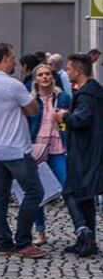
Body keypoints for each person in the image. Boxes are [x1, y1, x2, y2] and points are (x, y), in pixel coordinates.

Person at [0, 43, 45, 259]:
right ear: (5, 58)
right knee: (35, 192)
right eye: (13, 57)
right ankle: (23, 241)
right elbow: (34, 109)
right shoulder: (12, 85)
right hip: (16, 148)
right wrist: (24, 108)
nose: (15, 62)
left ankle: (4, 243)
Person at [58, 54, 103, 257]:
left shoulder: (86, 94)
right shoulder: (94, 91)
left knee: (71, 192)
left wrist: (64, 116)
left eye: (69, 69)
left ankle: (84, 233)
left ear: (78, 71)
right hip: (91, 149)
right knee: (85, 195)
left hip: (85, 151)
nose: (67, 73)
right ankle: (87, 240)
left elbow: (82, 119)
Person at [27, 63, 71, 246]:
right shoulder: (31, 100)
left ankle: (81, 228)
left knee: (67, 187)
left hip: (58, 146)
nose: (45, 77)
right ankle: (40, 231)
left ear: (52, 77)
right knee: (38, 192)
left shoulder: (63, 97)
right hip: (37, 147)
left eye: (47, 74)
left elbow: (69, 121)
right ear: (35, 79)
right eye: (41, 75)